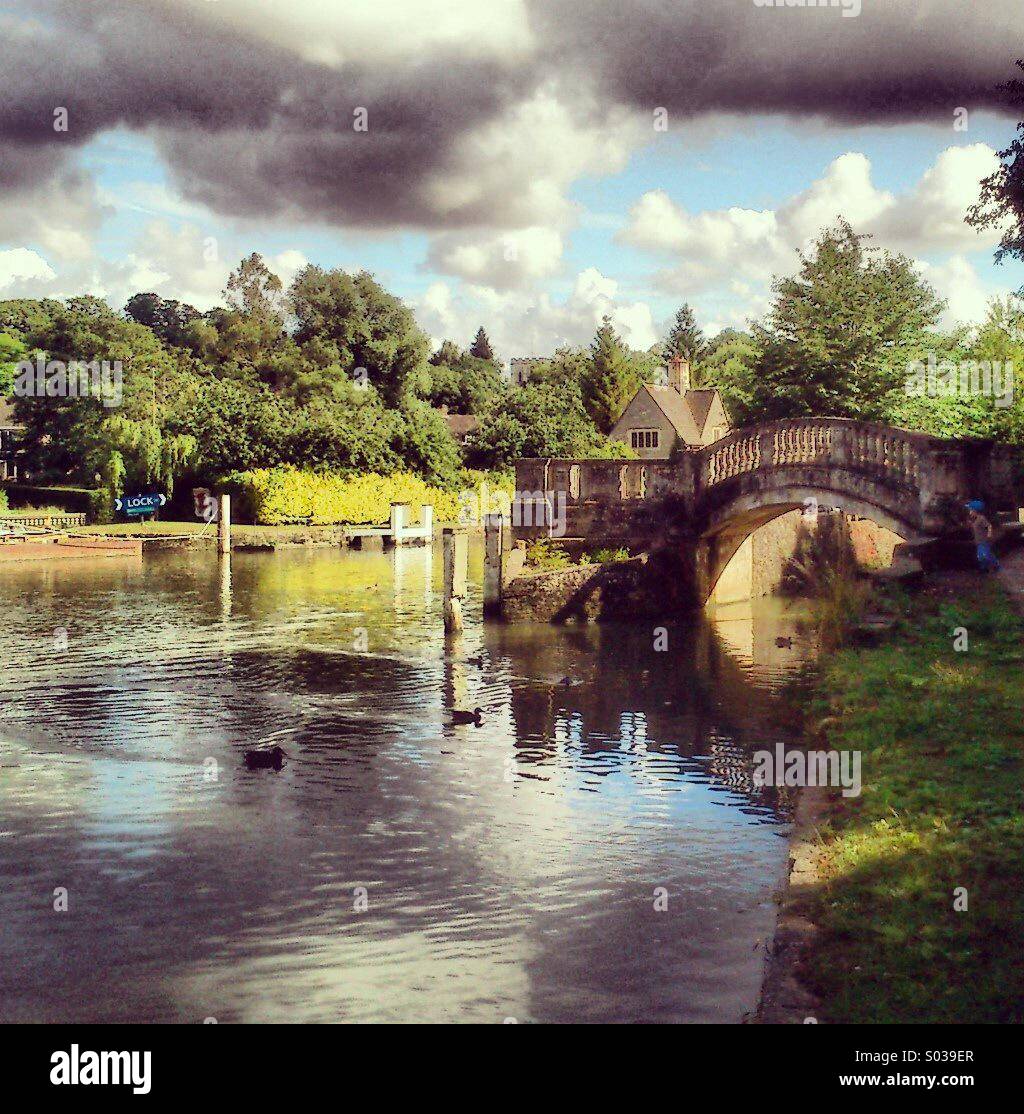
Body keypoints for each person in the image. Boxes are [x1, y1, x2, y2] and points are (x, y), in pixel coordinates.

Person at [965, 500, 1000, 573]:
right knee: (985, 555)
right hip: (978, 541)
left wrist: (989, 534)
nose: (970, 513)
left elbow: (989, 526)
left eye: (971, 511)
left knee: (983, 556)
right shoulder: (976, 520)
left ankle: (987, 568)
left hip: (983, 541)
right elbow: (976, 527)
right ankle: (992, 566)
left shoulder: (981, 518)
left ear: (975, 511)